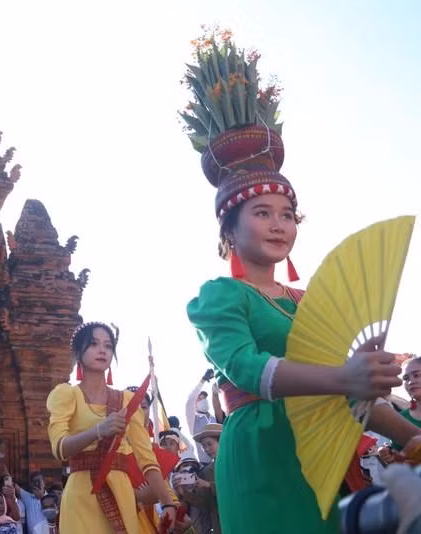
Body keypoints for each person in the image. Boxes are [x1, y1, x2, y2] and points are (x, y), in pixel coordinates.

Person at [186, 117, 421, 531]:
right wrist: (347, 377)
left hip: (320, 445)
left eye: (288, 215)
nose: (279, 225)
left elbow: (352, 395)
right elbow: (247, 368)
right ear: (230, 227)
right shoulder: (220, 295)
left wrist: (409, 435)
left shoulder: (309, 302)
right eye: (262, 213)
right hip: (260, 446)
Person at [47, 321, 176, 532]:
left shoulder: (127, 400)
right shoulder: (66, 395)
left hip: (121, 494)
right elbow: (59, 448)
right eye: (94, 344)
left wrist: (168, 502)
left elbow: (147, 460)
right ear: (79, 352)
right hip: (81, 494)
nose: (102, 350)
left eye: (108, 346)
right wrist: (98, 430)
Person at [176, 424, 221, 534]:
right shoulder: (207, 471)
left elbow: (236, 489)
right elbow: (206, 504)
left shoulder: (236, 463)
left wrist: (210, 485)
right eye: (203, 446)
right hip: (220, 526)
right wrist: (185, 493)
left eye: (209, 444)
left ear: (222, 441)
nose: (207, 449)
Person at [185, 372, 217, 464]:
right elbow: (190, 400)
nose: (203, 400)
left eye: (204, 398)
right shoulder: (193, 420)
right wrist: (202, 381)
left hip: (221, 462)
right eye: (200, 398)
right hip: (205, 466)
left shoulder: (213, 418)